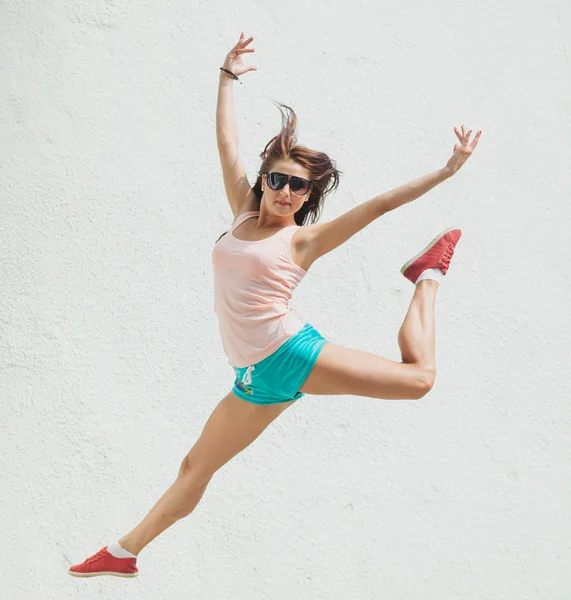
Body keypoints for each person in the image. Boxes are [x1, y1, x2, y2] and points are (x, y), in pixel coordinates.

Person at [69, 32, 482, 578]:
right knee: (195, 467)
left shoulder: (302, 242)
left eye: (300, 188)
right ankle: (124, 553)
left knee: (419, 379)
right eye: (280, 180)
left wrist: (446, 171)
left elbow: (380, 205)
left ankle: (426, 276)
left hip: (289, 352)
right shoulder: (242, 214)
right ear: (264, 179)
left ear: (310, 197)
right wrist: (226, 77)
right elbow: (224, 142)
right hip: (254, 376)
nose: (287, 192)